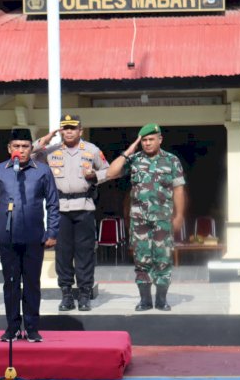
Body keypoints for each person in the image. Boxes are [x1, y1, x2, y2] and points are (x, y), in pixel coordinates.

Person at [0, 128, 59, 343]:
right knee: (11, 283)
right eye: (16, 146)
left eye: (25, 147)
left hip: (34, 236)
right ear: (9, 149)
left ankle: (32, 328)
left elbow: (53, 204)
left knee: (32, 283)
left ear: (31, 148)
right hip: (7, 237)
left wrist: (52, 232)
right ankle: (13, 327)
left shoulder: (42, 171)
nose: (21, 151)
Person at [106, 123, 185, 311]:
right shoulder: (134, 160)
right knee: (142, 260)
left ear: (160, 139)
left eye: (151, 139)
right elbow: (110, 172)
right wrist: (130, 149)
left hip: (162, 220)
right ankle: (145, 300)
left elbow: (178, 189)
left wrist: (179, 215)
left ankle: (161, 300)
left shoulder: (171, 160)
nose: (148, 143)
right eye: (144, 140)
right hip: (139, 221)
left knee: (163, 259)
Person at [34, 114, 109, 311]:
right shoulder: (51, 150)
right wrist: (47, 138)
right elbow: (31, 155)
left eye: (72, 128)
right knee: (63, 253)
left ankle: (84, 294)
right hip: (60, 208)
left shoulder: (91, 150)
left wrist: (95, 176)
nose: (68, 131)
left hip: (84, 207)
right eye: (64, 128)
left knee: (85, 253)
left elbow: (107, 171)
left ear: (80, 131)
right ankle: (66, 295)